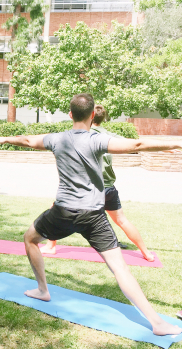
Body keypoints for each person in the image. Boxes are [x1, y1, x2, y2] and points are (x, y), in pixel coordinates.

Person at [0, 94, 182, 336]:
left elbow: (28, 140)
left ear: (70, 115)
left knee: (30, 239)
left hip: (63, 212)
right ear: (93, 115)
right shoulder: (98, 140)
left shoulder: (57, 139)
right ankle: (158, 323)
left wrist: (6, 138)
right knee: (120, 268)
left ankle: (42, 289)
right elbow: (137, 145)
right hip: (93, 215)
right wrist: (176, 143)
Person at [40, 104, 155, 262]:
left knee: (57, 209)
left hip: (90, 190)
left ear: (89, 116)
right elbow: (135, 144)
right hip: (109, 189)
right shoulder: (109, 135)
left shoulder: (84, 135)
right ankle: (147, 253)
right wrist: (164, 148)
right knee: (121, 220)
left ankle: (50, 246)